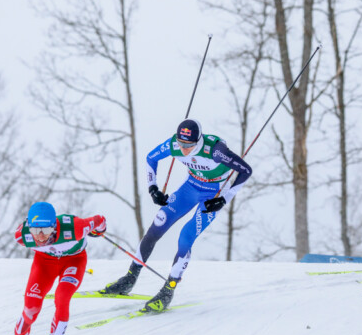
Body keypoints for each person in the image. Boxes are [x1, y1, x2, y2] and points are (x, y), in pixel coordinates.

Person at [100, 119, 252, 311]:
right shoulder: (174, 144)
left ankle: (168, 290)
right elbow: (151, 158)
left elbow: (246, 170)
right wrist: (153, 188)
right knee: (157, 225)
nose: (184, 149)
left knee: (186, 237)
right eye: (181, 144)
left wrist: (224, 199)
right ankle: (130, 277)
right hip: (190, 188)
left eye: (189, 145)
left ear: (199, 141)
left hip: (212, 194)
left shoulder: (216, 152)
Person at [0, 202, 106, 335]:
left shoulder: (75, 227)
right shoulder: (22, 236)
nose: (41, 236)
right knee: (30, 308)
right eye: (36, 231)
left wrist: (100, 230)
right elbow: (33, 236)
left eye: (45, 230)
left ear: (54, 226)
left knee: (62, 298)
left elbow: (100, 220)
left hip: (73, 261)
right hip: (45, 263)